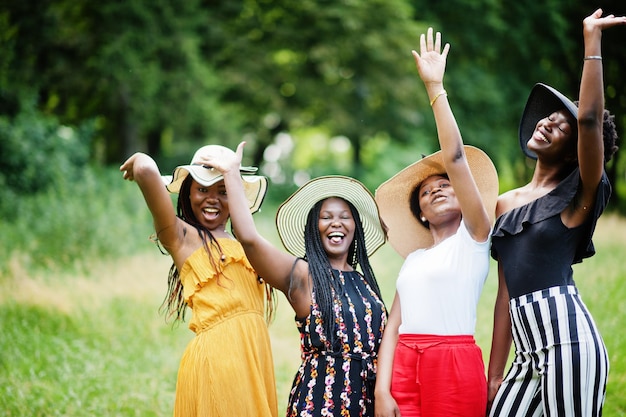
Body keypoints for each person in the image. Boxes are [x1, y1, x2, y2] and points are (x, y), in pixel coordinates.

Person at [486, 9, 625, 417]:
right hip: (525, 355)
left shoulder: (578, 198)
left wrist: (592, 42)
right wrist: (496, 373)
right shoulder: (505, 203)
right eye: (549, 116)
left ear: (573, 150)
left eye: (561, 126)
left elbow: (590, 120)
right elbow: (505, 293)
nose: (548, 122)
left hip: (570, 344)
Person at [206, 146, 388, 416]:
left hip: (366, 404)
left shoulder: (365, 284)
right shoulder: (304, 275)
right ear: (314, 229)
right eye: (326, 217)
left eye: (344, 217)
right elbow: (249, 239)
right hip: (319, 404)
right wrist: (232, 175)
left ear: (355, 228)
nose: (335, 223)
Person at [373, 28, 499, 417]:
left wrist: (435, 89)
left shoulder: (475, 237)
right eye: (426, 193)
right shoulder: (413, 259)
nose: (438, 190)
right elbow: (392, 327)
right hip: (404, 366)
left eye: (446, 185)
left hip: (453, 362)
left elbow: (457, 159)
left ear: (465, 198)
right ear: (421, 214)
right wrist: (382, 390)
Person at [120, 145, 278, 417]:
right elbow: (146, 169)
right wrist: (139, 161)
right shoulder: (182, 238)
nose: (212, 199)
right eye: (203, 189)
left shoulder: (248, 245)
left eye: (223, 191)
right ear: (188, 193)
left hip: (253, 358)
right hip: (218, 360)